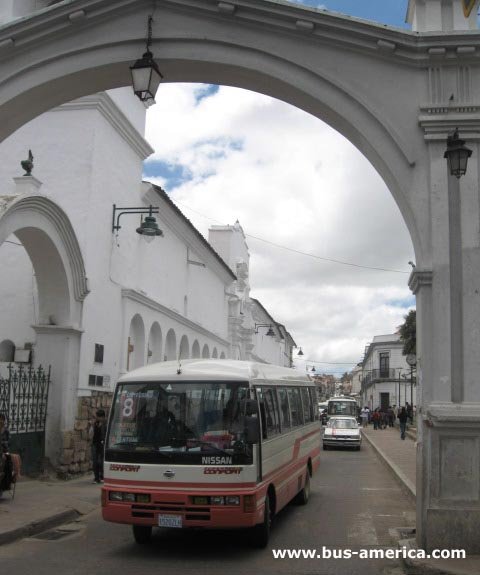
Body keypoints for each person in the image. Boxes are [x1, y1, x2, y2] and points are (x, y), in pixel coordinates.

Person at [91, 409, 106, 484]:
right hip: (95, 443)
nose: (97, 418)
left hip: (102, 444)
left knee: (100, 461)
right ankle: (96, 478)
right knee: (95, 461)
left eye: (98, 417)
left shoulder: (106, 423)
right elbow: (92, 433)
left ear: (102, 417)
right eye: (97, 417)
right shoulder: (95, 423)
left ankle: (102, 476)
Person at [0, 413, 13, 496]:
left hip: (4, 451)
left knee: (4, 461)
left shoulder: (6, 430)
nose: (0, 421)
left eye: (2, 419)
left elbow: (9, 443)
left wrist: (2, 443)